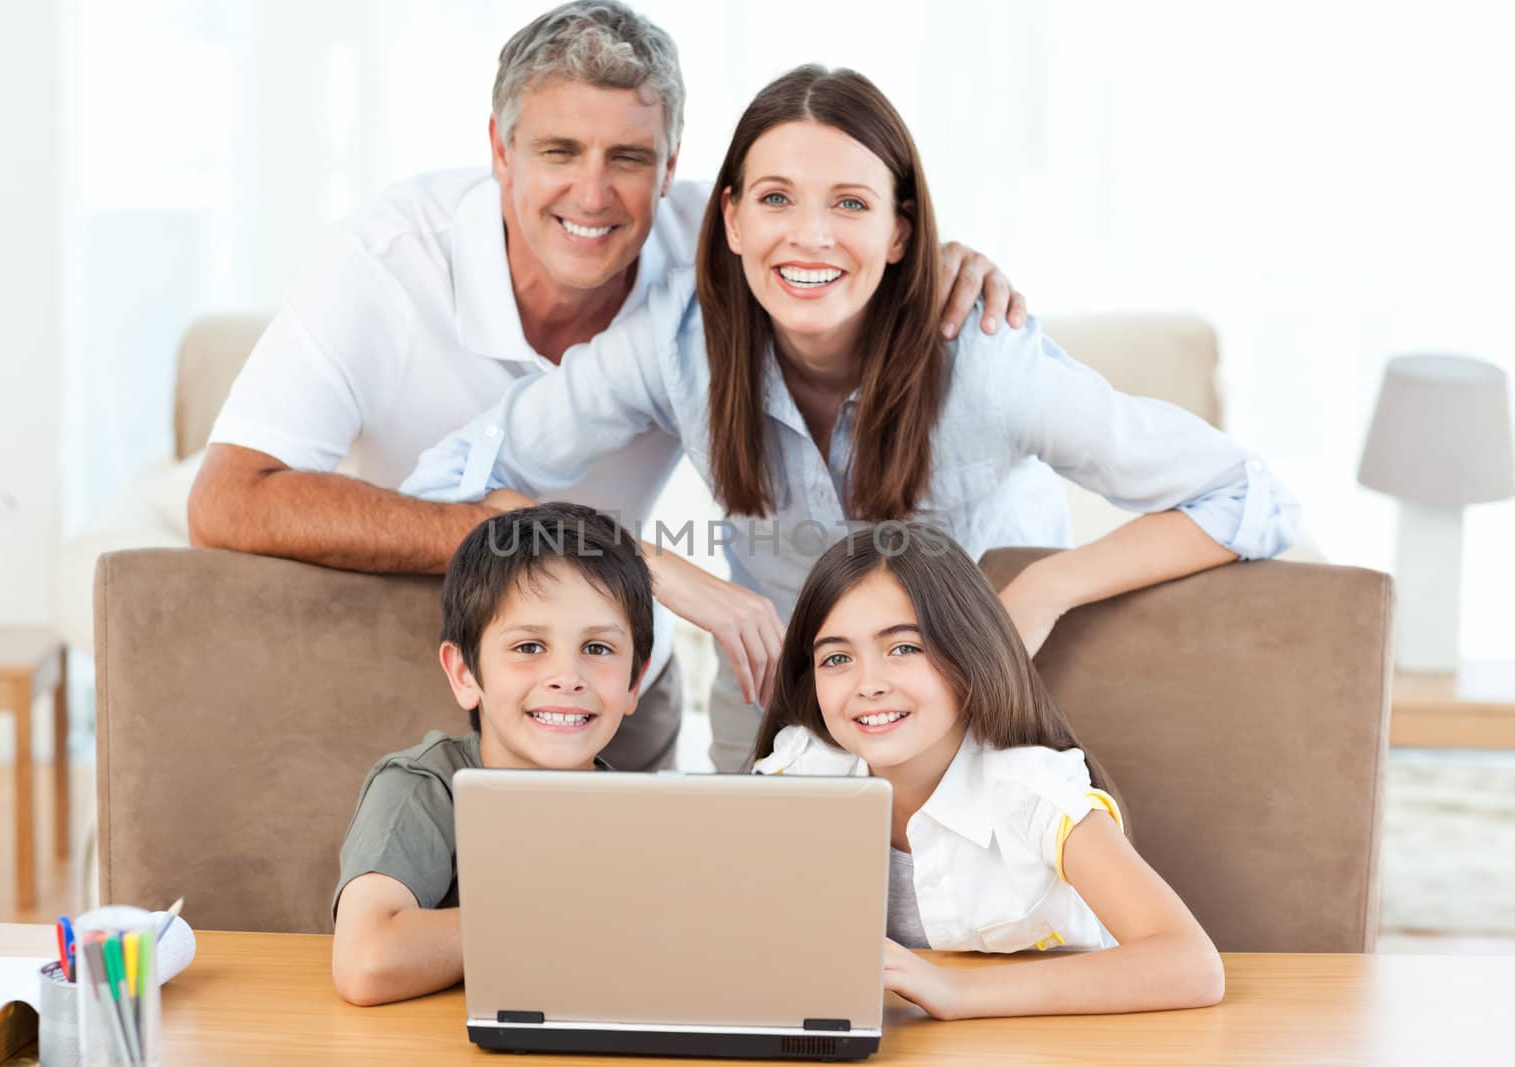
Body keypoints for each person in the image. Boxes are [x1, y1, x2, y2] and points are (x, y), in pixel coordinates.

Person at [187, 1, 1022, 772]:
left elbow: (838, 234)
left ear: (671, 168)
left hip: (624, 668)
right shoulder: (383, 265)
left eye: (628, 157)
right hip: (431, 644)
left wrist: (946, 269)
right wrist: (499, 528)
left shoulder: (725, 245)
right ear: (499, 149)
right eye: (558, 152)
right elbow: (226, 499)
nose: (593, 195)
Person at [402, 64, 1300, 771]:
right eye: (778, 199)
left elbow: (1247, 494)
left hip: (969, 726)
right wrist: (664, 573)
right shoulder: (678, 342)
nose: (812, 237)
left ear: (901, 232)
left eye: (851, 204)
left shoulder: (984, 357)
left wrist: (1041, 589)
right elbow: (450, 475)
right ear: (733, 220)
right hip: (775, 723)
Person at [752, 524, 1225, 1018]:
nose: (868, 684)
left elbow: (1191, 964)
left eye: (904, 649)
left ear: (969, 652)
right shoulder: (800, 772)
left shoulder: (1032, 790)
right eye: (837, 658)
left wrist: (954, 993)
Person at [331, 502, 653, 1006]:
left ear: (635, 680)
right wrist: (560, 915)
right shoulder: (423, 788)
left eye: (597, 649)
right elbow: (367, 961)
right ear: (464, 674)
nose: (567, 677)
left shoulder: (646, 812)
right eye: (528, 647)